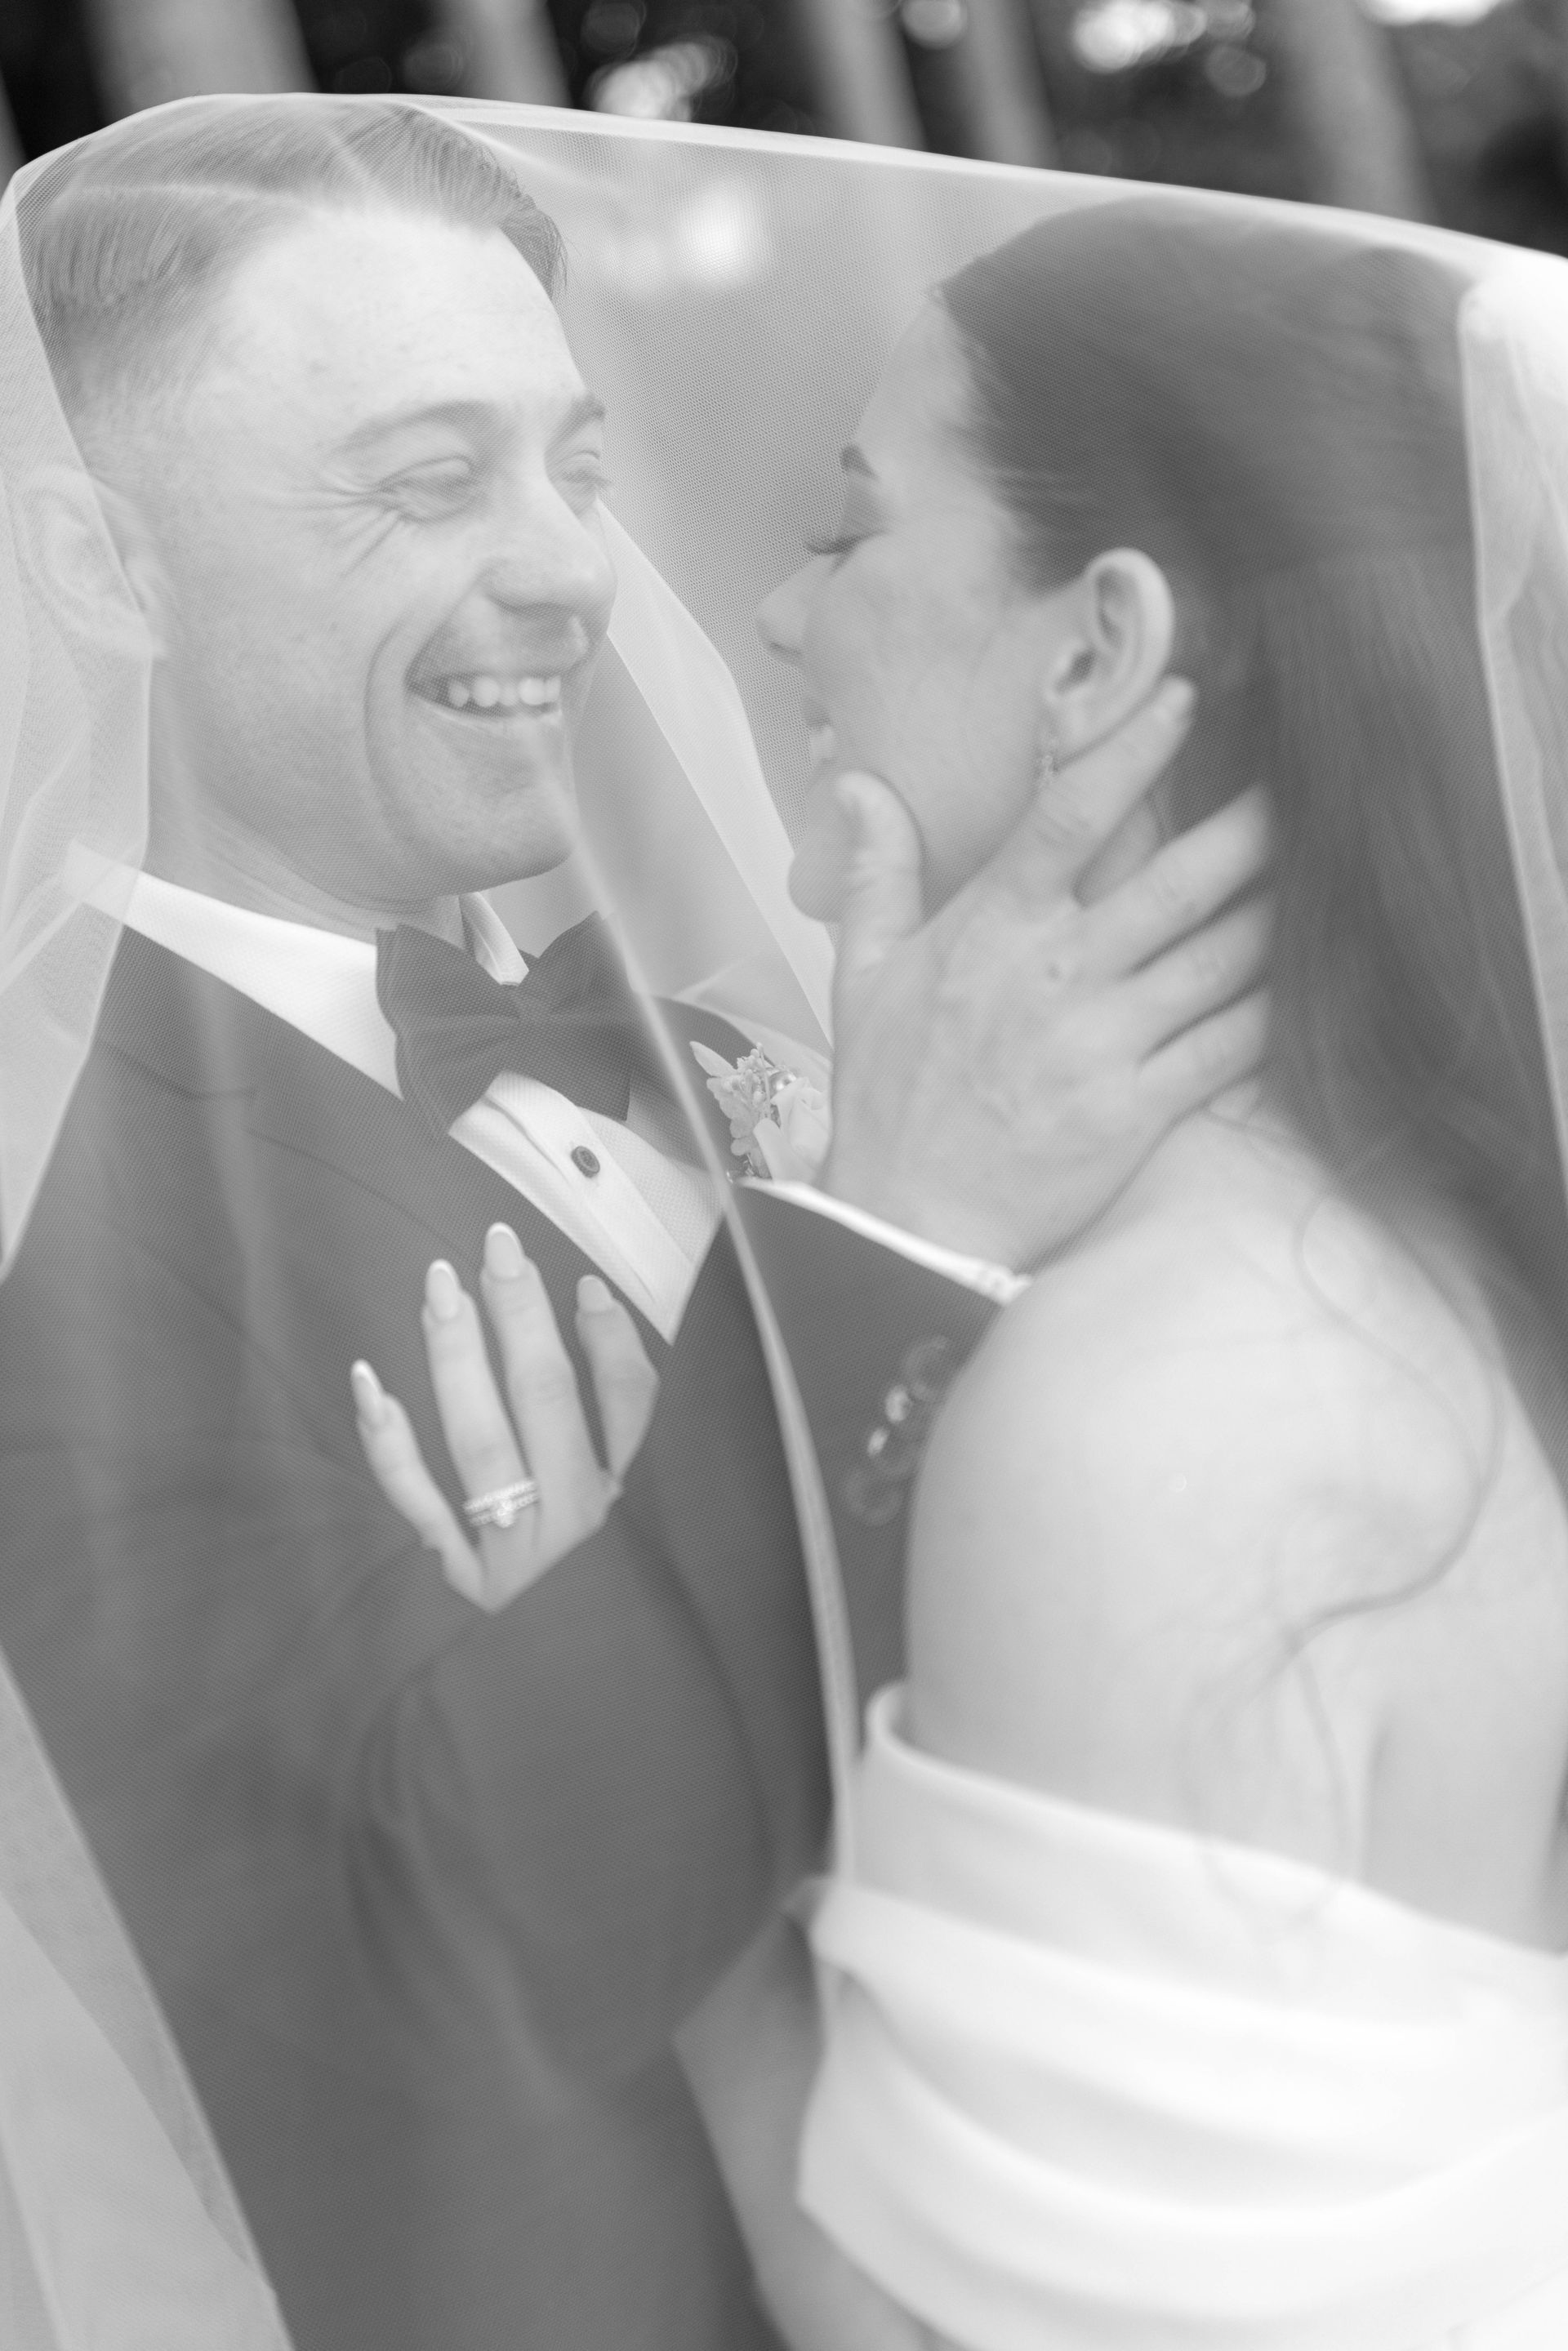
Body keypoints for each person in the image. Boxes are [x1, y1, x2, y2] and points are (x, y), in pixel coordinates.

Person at [0, 102, 1266, 2351]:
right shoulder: (51, 1231)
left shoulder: (742, 1053)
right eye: (425, 484)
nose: (575, 571)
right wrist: (896, 1235)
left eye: (573, 468)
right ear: (103, 567)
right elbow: (443, 1962)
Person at [368, 195, 1568, 2347]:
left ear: (1095, 653)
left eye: (850, 529)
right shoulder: (1403, 1236)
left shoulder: (1151, 1412)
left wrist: (687, 1902)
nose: (769, 614)